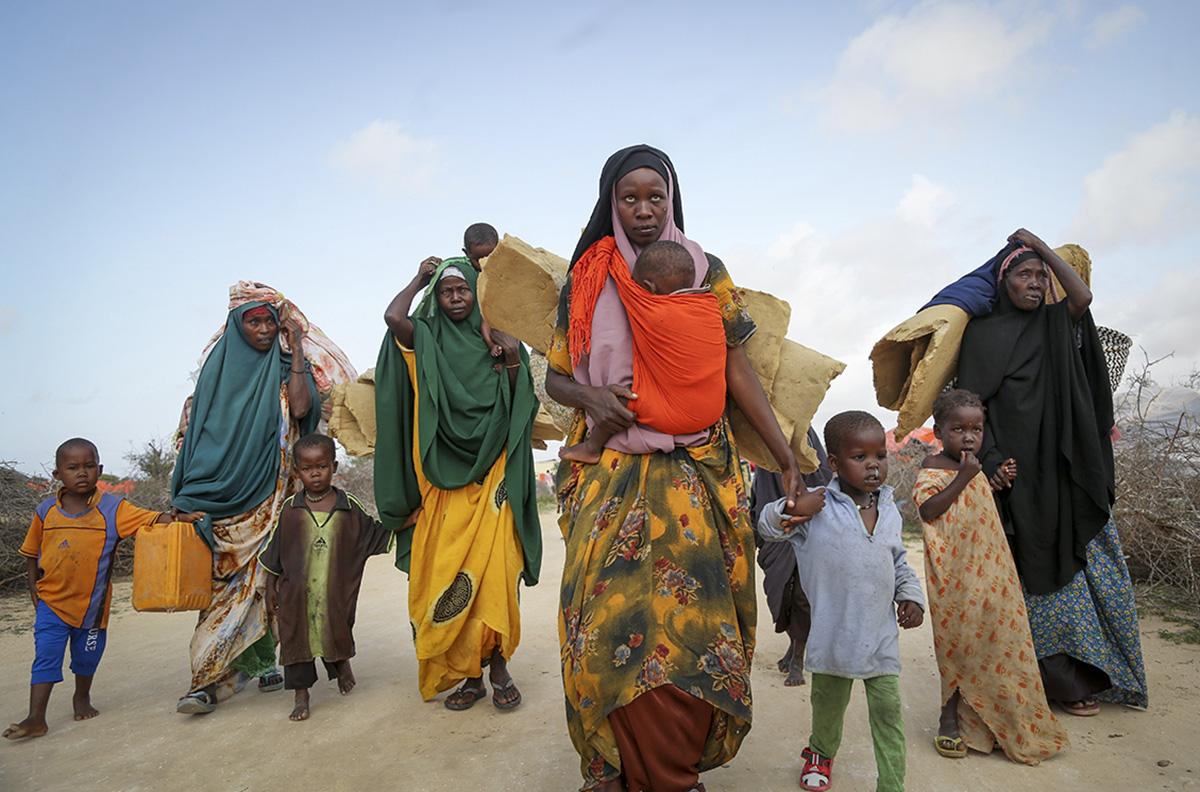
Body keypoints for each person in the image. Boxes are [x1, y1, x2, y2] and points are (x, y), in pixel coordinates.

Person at [547, 144, 824, 792]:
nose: (643, 211)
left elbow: (734, 365)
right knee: (603, 616)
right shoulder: (588, 277)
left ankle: (678, 767)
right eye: (629, 198)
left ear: (672, 201)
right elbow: (560, 376)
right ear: (609, 202)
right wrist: (592, 397)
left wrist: (785, 455)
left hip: (700, 469)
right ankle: (610, 765)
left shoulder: (705, 269)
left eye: (655, 197)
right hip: (613, 468)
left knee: (699, 620)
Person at [954, 229, 1147, 715]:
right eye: (1024, 274)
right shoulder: (981, 336)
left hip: (1063, 466)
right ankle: (1053, 684)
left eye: (1042, 275)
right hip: (1016, 476)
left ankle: (1089, 676)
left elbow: (1081, 295)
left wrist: (1038, 247)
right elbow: (975, 407)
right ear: (1004, 283)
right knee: (1028, 576)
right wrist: (992, 462)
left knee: (1081, 569)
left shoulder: (1056, 323)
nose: (1036, 282)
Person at [172, 282, 356, 715]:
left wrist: (294, 350)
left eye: (268, 322)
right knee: (223, 594)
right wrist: (184, 496)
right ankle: (208, 677)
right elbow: (193, 440)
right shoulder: (214, 379)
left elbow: (299, 410)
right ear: (236, 327)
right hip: (221, 504)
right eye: (252, 322)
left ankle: (234, 676)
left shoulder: (287, 368)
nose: (261, 329)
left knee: (276, 586)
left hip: (274, 501)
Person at [376, 255, 541, 711]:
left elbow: (520, 400)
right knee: (445, 573)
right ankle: (469, 676)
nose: (454, 297)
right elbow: (393, 317)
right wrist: (420, 278)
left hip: (495, 478)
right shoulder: (424, 338)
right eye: (446, 291)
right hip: (440, 477)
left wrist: (509, 358)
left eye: (462, 289)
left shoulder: (501, 338)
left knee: (496, 575)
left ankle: (499, 665)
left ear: (475, 292)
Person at [757, 411, 924, 792]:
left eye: (879, 455)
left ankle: (892, 783)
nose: (873, 466)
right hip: (832, 640)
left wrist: (910, 595)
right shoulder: (818, 509)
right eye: (860, 457)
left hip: (880, 640)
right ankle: (819, 754)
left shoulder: (890, 510)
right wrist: (791, 509)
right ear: (834, 463)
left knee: (887, 714)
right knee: (828, 710)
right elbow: (767, 527)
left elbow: (898, 560)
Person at [5, 439, 203, 740]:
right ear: (58, 474)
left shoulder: (113, 509)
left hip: (93, 608)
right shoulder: (46, 511)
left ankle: (81, 697)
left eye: (88, 466)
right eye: (72, 468)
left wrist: (178, 518)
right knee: (46, 656)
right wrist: (34, 588)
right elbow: (32, 553)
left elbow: (150, 518)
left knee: (87, 658)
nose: (81, 473)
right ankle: (36, 717)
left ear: (100, 470)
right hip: (52, 603)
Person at [913, 389, 1068, 763]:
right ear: (938, 431)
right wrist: (965, 476)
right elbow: (930, 509)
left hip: (994, 572)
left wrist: (992, 479)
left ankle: (997, 721)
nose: (968, 437)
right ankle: (948, 719)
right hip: (954, 576)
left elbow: (976, 504)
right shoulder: (933, 468)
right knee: (958, 644)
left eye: (976, 429)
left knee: (998, 643)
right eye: (958, 429)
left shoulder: (975, 467)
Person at [259, 433, 395, 721]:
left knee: (335, 630)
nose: (315, 473)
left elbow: (375, 532)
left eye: (321, 466)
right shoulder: (290, 510)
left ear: (334, 466)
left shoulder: (348, 507)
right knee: (296, 638)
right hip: (295, 593)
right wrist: (270, 587)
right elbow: (275, 550)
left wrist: (405, 522)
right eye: (307, 469)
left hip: (334, 590)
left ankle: (341, 665)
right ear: (298, 472)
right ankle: (301, 695)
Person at [559, 239, 726, 464]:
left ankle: (591, 447)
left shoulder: (655, 314)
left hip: (682, 415)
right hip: (713, 410)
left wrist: (610, 254)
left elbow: (624, 285)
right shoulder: (709, 305)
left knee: (620, 399)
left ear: (649, 288)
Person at [749, 427, 833, 687]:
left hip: (809, 535)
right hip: (775, 535)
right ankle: (794, 645)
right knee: (781, 595)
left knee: (802, 598)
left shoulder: (812, 453)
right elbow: (759, 503)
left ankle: (798, 658)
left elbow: (826, 488)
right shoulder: (765, 463)